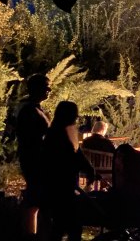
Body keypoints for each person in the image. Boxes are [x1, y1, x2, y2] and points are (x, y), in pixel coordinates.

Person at [40, 101, 98, 241]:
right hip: (60, 184)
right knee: (68, 223)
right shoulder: (56, 134)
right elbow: (69, 157)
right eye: (74, 114)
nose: (76, 117)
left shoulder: (66, 130)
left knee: (64, 224)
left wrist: (88, 169)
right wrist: (86, 168)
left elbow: (76, 153)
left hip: (66, 183)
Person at [15, 73, 51, 237]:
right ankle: (31, 233)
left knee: (36, 198)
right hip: (34, 160)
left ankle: (32, 232)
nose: (49, 90)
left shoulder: (35, 109)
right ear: (35, 88)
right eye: (46, 86)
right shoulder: (29, 111)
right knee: (36, 196)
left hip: (37, 159)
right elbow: (29, 137)